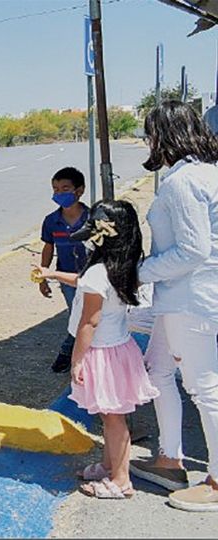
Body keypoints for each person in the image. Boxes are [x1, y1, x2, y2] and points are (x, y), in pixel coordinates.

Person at [36, 200, 159, 499]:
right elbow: (86, 282)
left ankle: (120, 480)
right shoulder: (123, 267)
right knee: (112, 416)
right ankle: (109, 465)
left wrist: (77, 361)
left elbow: (88, 323)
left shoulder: (96, 274)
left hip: (101, 354)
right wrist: (52, 274)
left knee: (113, 419)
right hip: (120, 349)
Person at [129, 101, 218, 512]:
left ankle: (216, 482)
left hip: (190, 299)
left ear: (165, 136)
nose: (149, 143)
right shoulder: (206, 174)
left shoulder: (182, 183)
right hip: (181, 297)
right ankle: (170, 460)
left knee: (204, 388)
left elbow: (192, 250)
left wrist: (140, 273)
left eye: (150, 135)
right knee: (158, 370)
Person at [39, 167, 90, 373]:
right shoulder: (51, 221)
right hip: (66, 279)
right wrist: (43, 276)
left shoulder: (93, 218)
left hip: (91, 277)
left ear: (79, 190)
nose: (59, 193)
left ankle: (69, 354)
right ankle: (71, 356)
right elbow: (48, 247)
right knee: (77, 317)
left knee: (89, 317)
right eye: (55, 189)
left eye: (65, 189)